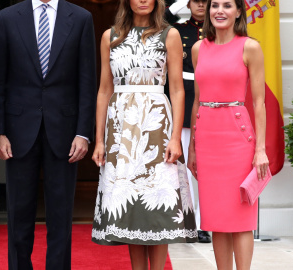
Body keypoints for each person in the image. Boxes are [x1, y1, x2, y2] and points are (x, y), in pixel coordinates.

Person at [0, 0, 96, 269]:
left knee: (61, 216)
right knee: (18, 214)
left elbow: (87, 81)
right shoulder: (7, 17)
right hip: (16, 133)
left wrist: (83, 133)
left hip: (65, 133)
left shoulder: (81, 18)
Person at [91, 0, 197, 269]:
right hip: (120, 129)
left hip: (156, 125)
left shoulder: (169, 34)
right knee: (131, 208)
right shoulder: (110, 36)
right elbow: (104, 90)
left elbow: (177, 89)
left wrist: (175, 138)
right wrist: (100, 140)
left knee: (157, 206)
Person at [188, 0, 269, 269]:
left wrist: (260, 150)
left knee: (241, 216)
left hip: (238, 139)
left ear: (237, 13)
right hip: (207, 138)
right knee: (216, 218)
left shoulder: (250, 47)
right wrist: (193, 148)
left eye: (227, 5)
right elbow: (197, 101)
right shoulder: (199, 48)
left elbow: (259, 102)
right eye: (215, 5)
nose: (219, 11)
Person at [165, 0, 212, 244]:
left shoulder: (219, 30)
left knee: (203, 169)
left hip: (209, 96)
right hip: (183, 96)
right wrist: (178, 3)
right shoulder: (178, 29)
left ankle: (204, 224)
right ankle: (186, 220)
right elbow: (159, 19)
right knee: (182, 166)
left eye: (206, 0)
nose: (201, 5)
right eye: (195, 0)